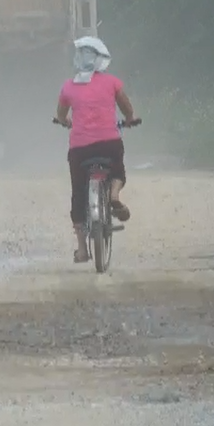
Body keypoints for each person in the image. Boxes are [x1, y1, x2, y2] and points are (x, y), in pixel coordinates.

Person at [55, 36, 139, 263]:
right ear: (102, 59)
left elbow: (62, 115)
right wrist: (130, 118)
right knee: (118, 172)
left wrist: (64, 121)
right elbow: (126, 107)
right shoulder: (112, 83)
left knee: (78, 193)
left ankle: (82, 249)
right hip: (109, 143)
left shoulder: (68, 87)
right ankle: (113, 194)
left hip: (80, 149)